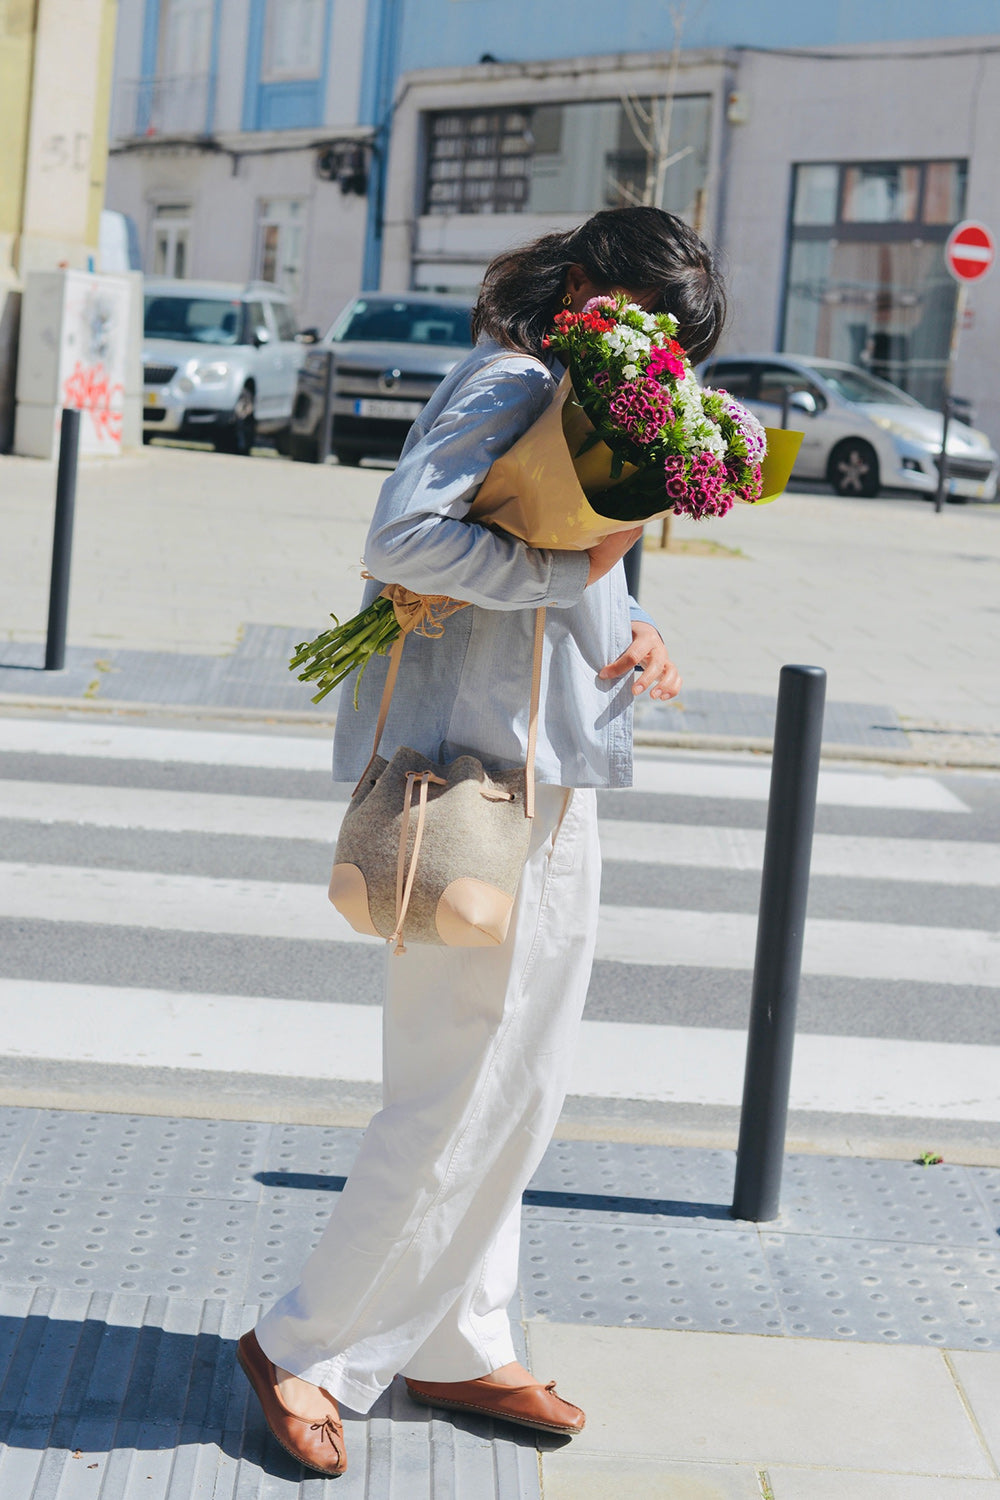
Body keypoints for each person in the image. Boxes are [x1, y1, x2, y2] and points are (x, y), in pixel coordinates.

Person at [237, 205, 727, 1476]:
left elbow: (577, 561)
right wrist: (571, 581)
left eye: (678, 354)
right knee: (457, 1086)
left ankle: (460, 1338)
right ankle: (302, 1346)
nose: (660, 368)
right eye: (651, 337)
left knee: (521, 1087)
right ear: (584, 296)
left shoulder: (578, 408)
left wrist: (631, 630)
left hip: (550, 779)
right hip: (473, 785)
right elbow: (402, 538)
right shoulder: (510, 379)